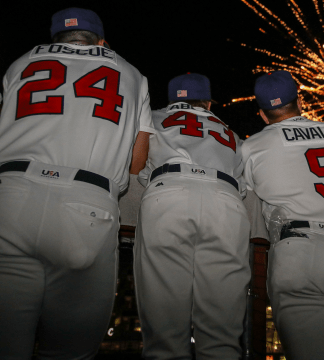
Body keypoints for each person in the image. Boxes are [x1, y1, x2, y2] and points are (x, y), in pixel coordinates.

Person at [0, 8, 154, 359]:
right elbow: (137, 162)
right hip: (86, 205)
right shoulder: (130, 73)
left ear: (54, 38)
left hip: (10, 195)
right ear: (101, 41)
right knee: (67, 353)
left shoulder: (20, 63)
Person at [241, 70, 324, 360]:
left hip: (299, 252)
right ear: (299, 102)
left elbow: (244, 194)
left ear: (262, 115)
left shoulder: (252, 146)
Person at [134, 73, 250, 359]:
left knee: (165, 336)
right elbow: (245, 186)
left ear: (174, 99)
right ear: (207, 103)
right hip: (225, 199)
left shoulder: (153, 116)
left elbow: (136, 165)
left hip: (169, 193)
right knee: (222, 335)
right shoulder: (230, 132)